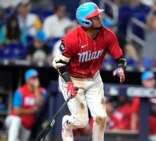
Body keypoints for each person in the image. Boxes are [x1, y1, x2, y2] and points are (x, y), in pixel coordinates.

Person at [52, 2, 126, 141]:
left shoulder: (108, 35)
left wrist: (121, 68)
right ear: (85, 21)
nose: (100, 17)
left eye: (98, 15)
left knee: (101, 117)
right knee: (81, 122)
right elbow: (59, 63)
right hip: (72, 78)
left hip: (94, 78)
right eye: (95, 16)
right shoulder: (72, 38)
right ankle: (67, 124)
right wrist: (68, 83)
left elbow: (120, 57)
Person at [4, 69, 47, 141]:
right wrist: (32, 111)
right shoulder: (20, 91)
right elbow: (16, 111)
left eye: (36, 77)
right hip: (13, 120)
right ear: (27, 79)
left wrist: (36, 88)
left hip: (27, 126)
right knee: (16, 120)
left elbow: (39, 104)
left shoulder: (42, 91)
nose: (35, 79)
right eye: (33, 78)